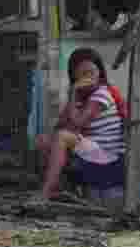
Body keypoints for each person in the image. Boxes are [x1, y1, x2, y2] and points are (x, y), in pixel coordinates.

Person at [34, 48, 127, 200]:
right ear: (74, 75)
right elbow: (62, 123)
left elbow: (77, 122)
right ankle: (62, 189)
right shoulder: (81, 97)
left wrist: (73, 91)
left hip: (107, 154)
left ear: (100, 73)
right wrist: (74, 96)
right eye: (83, 73)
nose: (88, 77)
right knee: (44, 140)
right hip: (92, 148)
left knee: (62, 137)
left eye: (91, 72)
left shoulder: (102, 94)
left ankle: (46, 192)